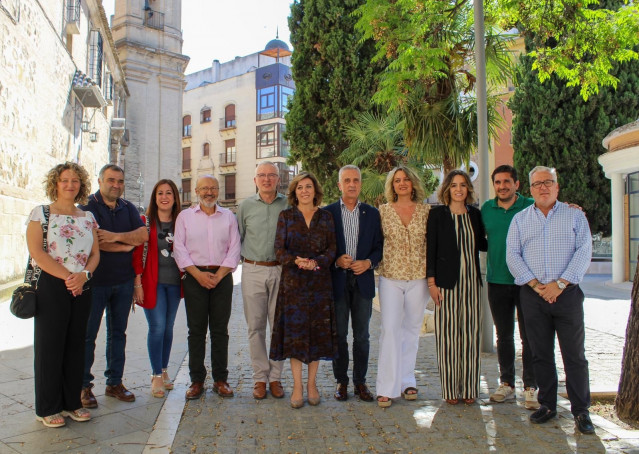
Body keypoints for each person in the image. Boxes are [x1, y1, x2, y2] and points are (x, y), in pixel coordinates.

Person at [506, 166, 594, 434]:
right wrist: (536, 285)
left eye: (548, 182)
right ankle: (548, 404)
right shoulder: (520, 220)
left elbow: (584, 250)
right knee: (540, 354)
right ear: (530, 190)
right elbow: (513, 255)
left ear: (557, 187)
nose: (543, 187)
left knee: (574, 356)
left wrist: (560, 284)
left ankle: (581, 411)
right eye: (537, 184)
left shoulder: (574, 216)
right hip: (533, 296)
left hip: (566, 294)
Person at [27, 162, 99, 427]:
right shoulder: (41, 213)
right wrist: (68, 277)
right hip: (52, 285)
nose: (70, 185)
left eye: (75, 181)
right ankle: (47, 407)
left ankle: (72, 403)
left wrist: (84, 276)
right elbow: (37, 252)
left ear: (81, 186)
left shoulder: (88, 217)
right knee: (50, 346)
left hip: (82, 286)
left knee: (75, 345)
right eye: (65, 180)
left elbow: (95, 253)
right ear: (55, 184)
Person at [80, 164, 148, 408]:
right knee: (88, 336)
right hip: (94, 283)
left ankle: (114, 383)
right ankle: (84, 387)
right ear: (100, 181)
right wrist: (125, 244)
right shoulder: (87, 208)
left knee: (118, 334)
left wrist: (115, 237)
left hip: (123, 282)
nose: (116, 185)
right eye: (111, 180)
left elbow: (142, 235)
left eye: (120, 181)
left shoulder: (127, 207)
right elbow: (94, 243)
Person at [269, 172, 337, 408]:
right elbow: (279, 250)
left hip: (319, 284)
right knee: (296, 336)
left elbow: (332, 249)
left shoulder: (326, 217)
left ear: (315, 190)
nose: (305, 191)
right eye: (300, 187)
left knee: (316, 335)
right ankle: (297, 386)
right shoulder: (286, 216)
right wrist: (297, 261)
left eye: (309, 186)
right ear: (294, 192)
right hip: (294, 285)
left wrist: (316, 262)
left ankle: (312, 384)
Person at [173, 175, 241, 400]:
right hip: (194, 277)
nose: (209, 192)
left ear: (218, 190)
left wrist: (220, 274)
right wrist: (197, 275)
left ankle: (221, 379)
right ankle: (196, 381)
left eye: (213, 188)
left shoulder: (229, 216)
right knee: (196, 330)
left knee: (220, 330)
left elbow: (234, 248)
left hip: (222, 277)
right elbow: (179, 248)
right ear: (196, 191)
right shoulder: (185, 217)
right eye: (204, 188)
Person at [427, 170, 487, 405]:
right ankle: (451, 390)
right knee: (448, 337)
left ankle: (470, 388)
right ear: (447, 189)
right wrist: (431, 283)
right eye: (454, 185)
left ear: (469, 189)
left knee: (471, 336)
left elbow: (483, 243)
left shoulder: (475, 215)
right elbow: (430, 250)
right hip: (445, 285)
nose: (459, 189)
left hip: (471, 283)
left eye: (463, 185)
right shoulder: (437, 215)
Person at [481, 165, 538, 409]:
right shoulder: (487, 209)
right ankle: (506, 384)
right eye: (498, 182)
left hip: (526, 281)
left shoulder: (530, 205)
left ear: (516, 184)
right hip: (497, 281)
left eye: (507, 182)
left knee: (529, 336)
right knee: (503, 336)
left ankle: (530, 387)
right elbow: (477, 239)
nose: (502, 186)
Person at [325, 165, 383, 402]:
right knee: (338, 335)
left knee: (362, 335)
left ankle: (360, 382)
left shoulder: (372, 213)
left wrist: (369, 262)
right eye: (347, 180)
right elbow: (322, 248)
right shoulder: (327, 213)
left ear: (360, 184)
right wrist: (336, 260)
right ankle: (341, 382)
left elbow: (379, 246)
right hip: (337, 281)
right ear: (339, 185)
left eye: (356, 180)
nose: (351, 184)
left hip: (363, 281)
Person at [376, 166, 429, 408]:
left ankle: (407, 380)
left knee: (412, 330)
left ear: (413, 183)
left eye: (406, 179)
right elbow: (376, 242)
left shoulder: (427, 211)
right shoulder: (383, 212)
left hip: (419, 277)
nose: (402, 183)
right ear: (392, 186)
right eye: (397, 180)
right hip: (390, 277)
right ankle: (387, 387)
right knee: (390, 330)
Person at [237, 162, 288, 400]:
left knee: (279, 327)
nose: (267, 179)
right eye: (262, 175)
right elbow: (238, 238)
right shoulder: (245, 206)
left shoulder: (288, 205)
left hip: (281, 270)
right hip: (253, 269)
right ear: (255, 179)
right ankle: (260, 378)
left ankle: (276, 378)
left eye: (271, 175)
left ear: (278, 179)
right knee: (255, 327)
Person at [132, 179, 182, 398]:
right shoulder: (144, 222)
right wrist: (137, 284)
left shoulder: (182, 221)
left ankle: (163, 370)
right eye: (160, 193)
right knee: (157, 327)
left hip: (176, 283)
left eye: (168, 193)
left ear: (174, 197)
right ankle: (155, 375)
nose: (164, 197)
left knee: (169, 327)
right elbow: (136, 254)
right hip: (152, 282)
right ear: (154, 197)